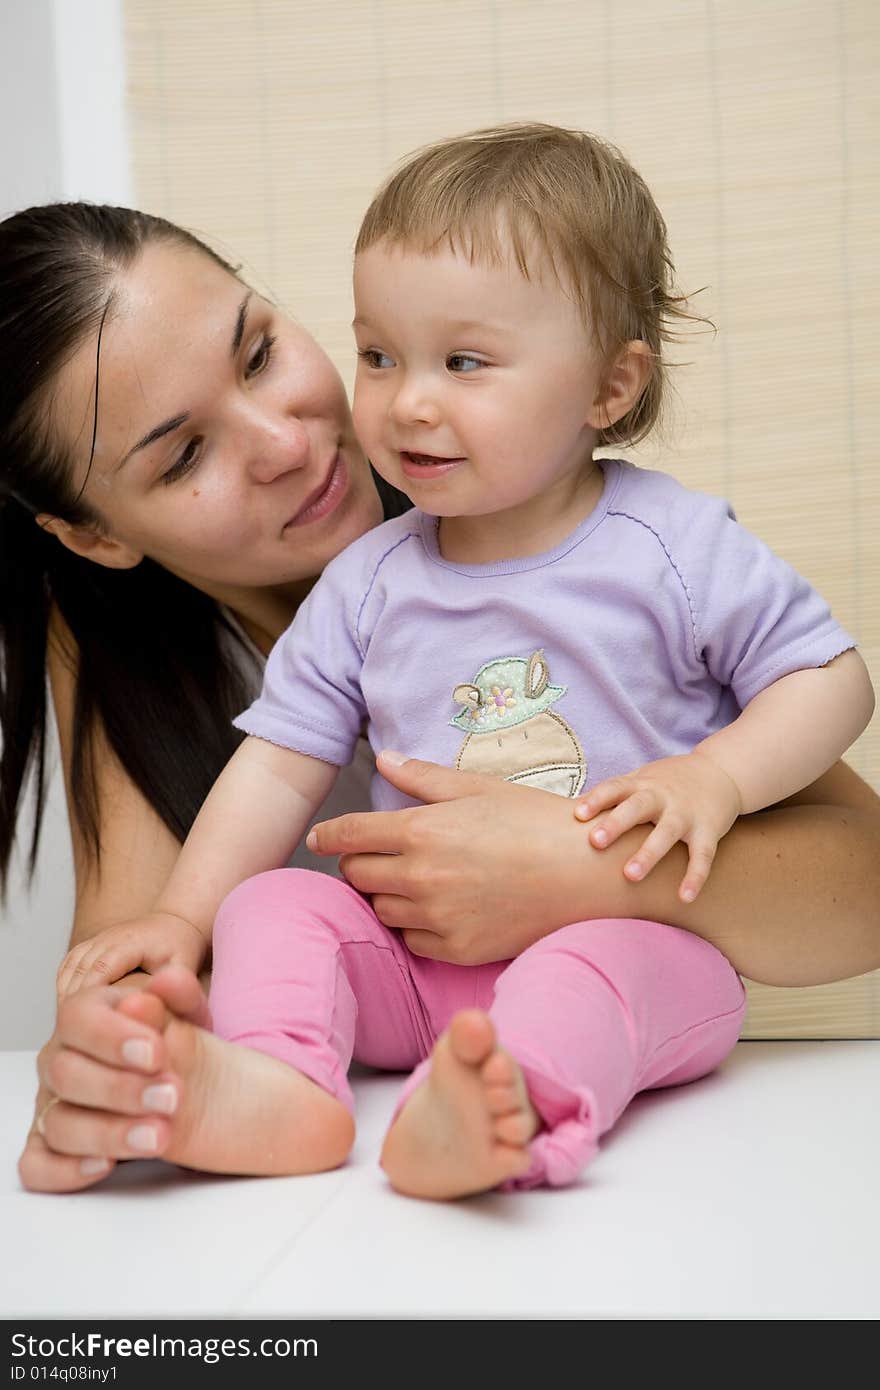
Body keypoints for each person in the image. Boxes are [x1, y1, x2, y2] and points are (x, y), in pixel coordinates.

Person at [44, 124, 875, 1198]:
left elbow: (829, 678)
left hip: (625, 941)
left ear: (608, 388)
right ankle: (279, 1087)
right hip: (416, 975)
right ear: (94, 536)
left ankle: (507, 1109)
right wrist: (177, 925)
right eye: (381, 355)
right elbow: (271, 766)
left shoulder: (671, 548)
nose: (405, 402)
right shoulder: (368, 584)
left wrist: (708, 781)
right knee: (272, 910)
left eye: (463, 362)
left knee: (598, 971)